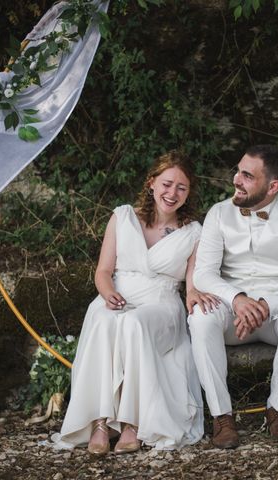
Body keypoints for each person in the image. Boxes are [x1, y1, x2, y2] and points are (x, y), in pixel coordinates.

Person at [52, 150, 219, 454]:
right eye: (167, 184)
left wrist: (195, 295)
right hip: (118, 293)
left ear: (189, 193)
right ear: (151, 182)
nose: (172, 193)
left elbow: (191, 284)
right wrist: (107, 292)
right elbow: (103, 271)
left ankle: (132, 425)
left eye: (182, 188)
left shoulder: (194, 232)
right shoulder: (123, 216)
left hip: (161, 303)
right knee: (102, 319)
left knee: (134, 323)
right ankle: (101, 424)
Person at [188, 144, 278, 448]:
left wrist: (265, 304)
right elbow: (204, 274)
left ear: (273, 186)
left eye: (247, 176)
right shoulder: (219, 213)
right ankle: (222, 418)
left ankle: (277, 409)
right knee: (200, 318)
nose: (236, 179)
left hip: (276, 313)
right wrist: (237, 299)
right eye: (238, 171)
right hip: (231, 312)